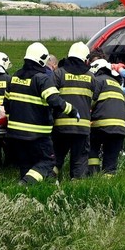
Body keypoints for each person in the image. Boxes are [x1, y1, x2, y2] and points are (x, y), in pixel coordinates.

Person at [4, 42, 79, 185]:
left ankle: (27, 193)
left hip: (15, 134)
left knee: (27, 164)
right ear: (42, 59)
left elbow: (6, 104)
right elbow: (55, 100)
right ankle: (25, 183)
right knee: (48, 161)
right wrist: (72, 110)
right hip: (37, 134)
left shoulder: (14, 77)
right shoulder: (41, 78)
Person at [52, 42, 94, 179]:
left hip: (61, 127)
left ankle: (50, 180)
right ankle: (76, 186)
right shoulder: (91, 77)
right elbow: (94, 100)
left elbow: (51, 99)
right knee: (79, 160)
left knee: (56, 157)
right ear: (85, 58)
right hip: (82, 128)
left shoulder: (58, 74)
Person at [89, 52, 125, 176]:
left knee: (92, 147)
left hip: (101, 126)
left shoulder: (98, 81)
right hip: (120, 129)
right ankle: (108, 184)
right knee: (111, 162)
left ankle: (92, 175)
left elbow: (90, 102)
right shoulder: (116, 84)